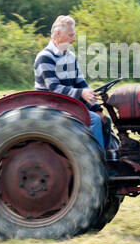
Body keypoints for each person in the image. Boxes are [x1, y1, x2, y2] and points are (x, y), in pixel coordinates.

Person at [34, 15, 107, 150]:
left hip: (69, 104)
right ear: (57, 34)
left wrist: (97, 108)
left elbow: (80, 83)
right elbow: (54, 88)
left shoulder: (70, 56)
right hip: (52, 106)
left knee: (104, 119)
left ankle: (113, 158)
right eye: (70, 35)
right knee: (94, 120)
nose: (73, 39)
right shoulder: (45, 57)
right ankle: (99, 163)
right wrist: (82, 93)